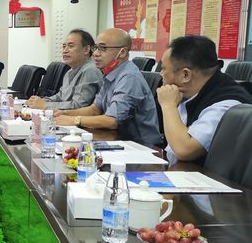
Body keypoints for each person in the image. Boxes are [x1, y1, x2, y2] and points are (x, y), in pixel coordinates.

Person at [54, 27, 163, 146]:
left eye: (103, 48)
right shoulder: (110, 73)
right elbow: (95, 109)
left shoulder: (129, 77)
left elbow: (112, 121)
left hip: (143, 147)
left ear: (122, 52)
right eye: (96, 48)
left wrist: (73, 120)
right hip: (119, 139)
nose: (95, 54)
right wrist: (63, 113)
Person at [157, 35, 252, 165]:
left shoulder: (226, 104)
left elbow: (184, 150)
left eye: (163, 69)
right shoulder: (188, 94)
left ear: (186, 75)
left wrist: (168, 106)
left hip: (209, 177)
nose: (161, 74)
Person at [27, 29, 102, 110]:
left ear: (86, 49)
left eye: (71, 46)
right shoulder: (70, 71)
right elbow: (60, 96)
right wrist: (40, 101)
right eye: (64, 46)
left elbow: (78, 105)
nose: (65, 51)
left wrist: (45, 105)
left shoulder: (90, 70)